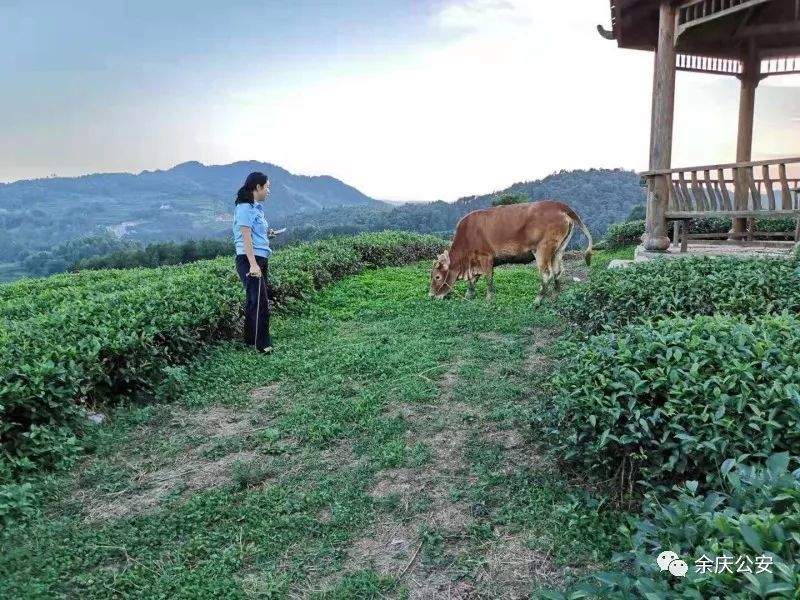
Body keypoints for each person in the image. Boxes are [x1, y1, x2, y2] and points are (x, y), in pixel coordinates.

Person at [233, 171, 275, 353]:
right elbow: (245, 238)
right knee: (260, 302)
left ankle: (250, 339)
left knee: (253, 300)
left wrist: (268, 233)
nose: (268, 191)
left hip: (260, 258)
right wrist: (253, 264)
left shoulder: (254, 208)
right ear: (257, 187)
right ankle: (263, 344)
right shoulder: (244, 208)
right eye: (267, 187)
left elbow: (254, 233)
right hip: (250, 260)